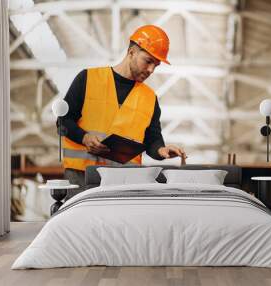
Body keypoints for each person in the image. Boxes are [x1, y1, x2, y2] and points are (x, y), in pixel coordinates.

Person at [59, 25, 187, 199]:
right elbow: (63, 122)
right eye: (148, 61)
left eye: (155, 66)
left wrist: (162, 151)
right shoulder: (88, 78)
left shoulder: (150, 98)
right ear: (132, 52)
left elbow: (152, 140)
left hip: (125, 180)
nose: (151, 70)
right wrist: (85, 138)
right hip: (82, 176)